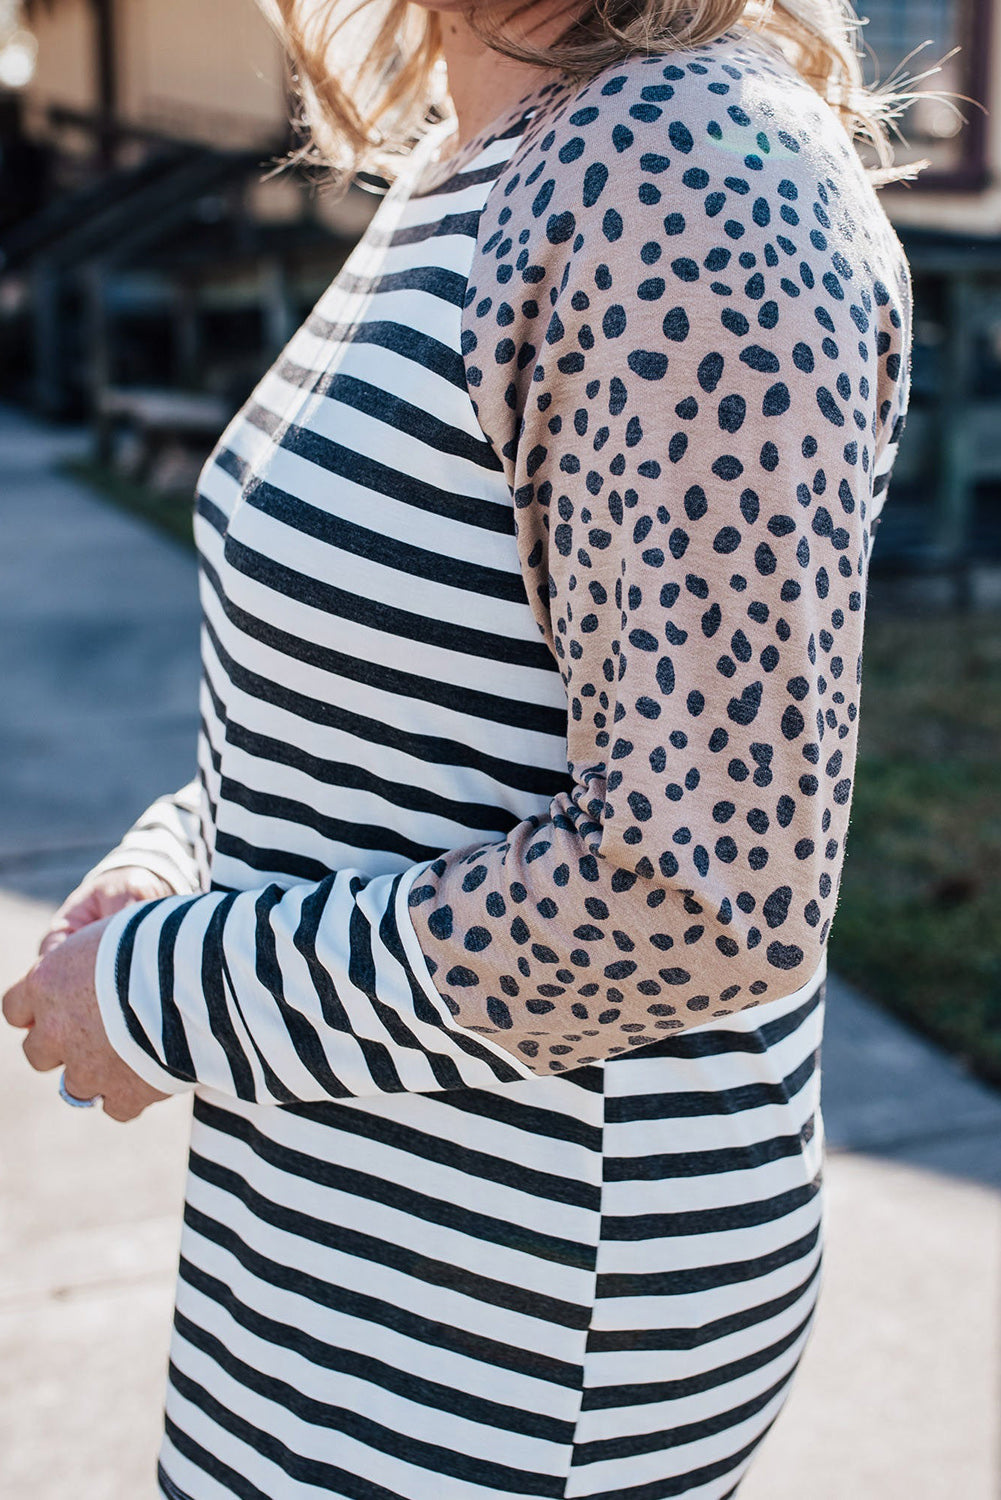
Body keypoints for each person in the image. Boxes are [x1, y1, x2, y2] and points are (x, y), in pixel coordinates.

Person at [3, 0, 913, 1494]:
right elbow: (405, 707)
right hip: (329, 1245)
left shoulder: (685, 171)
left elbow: (700, 898)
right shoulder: (477, 147)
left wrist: (164, 990)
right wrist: (176, 857)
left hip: (511, 1319)